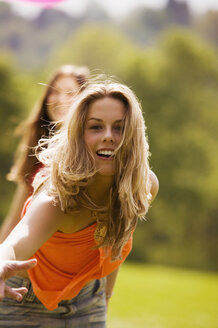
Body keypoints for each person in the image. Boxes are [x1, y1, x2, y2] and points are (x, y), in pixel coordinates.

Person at [0, 81, 159, 327]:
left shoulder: (142, 185)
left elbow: (114, 244)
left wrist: (105, 297)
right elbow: (17, 240)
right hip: (22, 301)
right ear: (78, 134)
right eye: (96, 127)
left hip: (89, 300)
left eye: (120, 127)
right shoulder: (59, 196)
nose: (108, 136)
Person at [0, 64, 90, 242]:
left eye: (70, 93)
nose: (59, 99)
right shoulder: (37, 150)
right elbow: (15, 217)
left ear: (84, 101)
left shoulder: (89, 154)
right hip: (27, 261)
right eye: (54, 92)